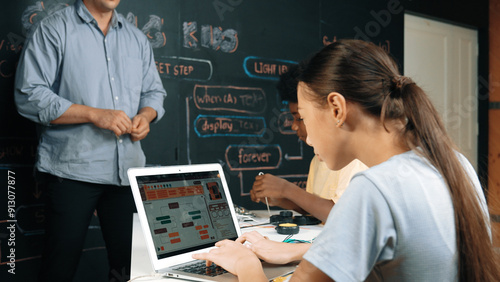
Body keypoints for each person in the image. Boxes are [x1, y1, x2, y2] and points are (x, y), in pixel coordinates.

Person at [193, 39, 500, 281]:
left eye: (303, 118)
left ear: (337, 109)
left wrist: (245, 264)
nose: (306, 136)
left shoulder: (373, 189)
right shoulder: (456, 164)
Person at [14, 0, 166, 281]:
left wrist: (146, 115)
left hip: (127, 173)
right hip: (72, 171)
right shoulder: (54, 29)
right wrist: (94, 115)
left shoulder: (136, 39)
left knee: (131, 270)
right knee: (59, 268)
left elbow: (154, 92)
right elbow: (30, 95)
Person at [251, 63, 367, 222]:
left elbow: (342, 217)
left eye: (301, 118)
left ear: (335, 110)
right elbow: (316, 210)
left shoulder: (356, 159)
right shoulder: (318, 159)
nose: (293, 126)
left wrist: (287, 189)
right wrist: (282, 199)